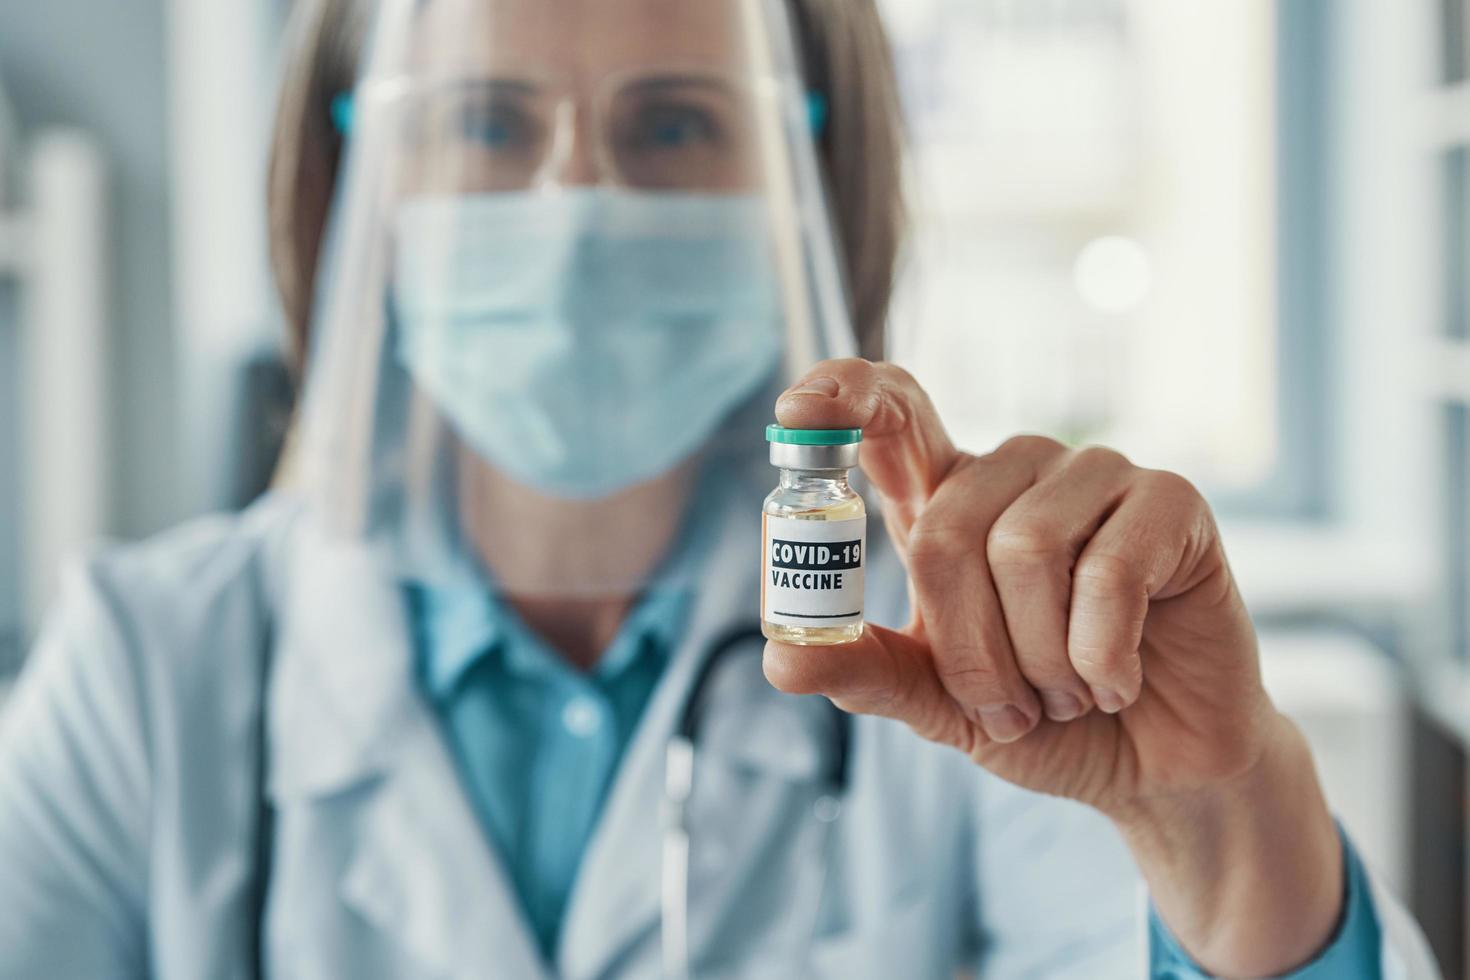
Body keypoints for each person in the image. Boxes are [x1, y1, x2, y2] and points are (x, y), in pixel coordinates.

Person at [0, 0, 1442, 976]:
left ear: (808, 176)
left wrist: (1226, 808)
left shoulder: (1002, 660)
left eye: (674, 127)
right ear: (349, 171)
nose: (571, 211)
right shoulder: (147, 666)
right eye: (487, 126)